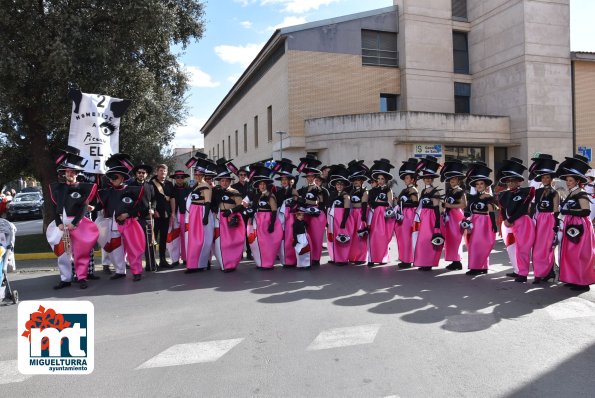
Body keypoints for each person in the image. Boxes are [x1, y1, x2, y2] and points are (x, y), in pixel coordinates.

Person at [46, 146, 99, 290]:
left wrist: (75, 223)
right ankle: (65, 279)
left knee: (80, 252)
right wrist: (59, 224)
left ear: (76, 173)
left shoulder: (83, 188)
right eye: (67, 171)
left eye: (72, 171)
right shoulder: (58, 188)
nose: (69, 174)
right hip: (62, 224)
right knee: (62, 253)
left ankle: (82, 277)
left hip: (78, 224)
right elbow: (54, 208)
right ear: (64, 173)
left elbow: (83, 207)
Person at [94, 153, 145, 282]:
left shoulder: (133, 190)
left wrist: (128, 214)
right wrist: (92, 208)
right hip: (113, 225)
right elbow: (99, 205)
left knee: (132, 248)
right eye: (110, 178)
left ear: (122, 178)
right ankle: (120, 271)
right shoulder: (107, 192)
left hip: (129, 224)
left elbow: (141, 208)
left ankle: (136, 271)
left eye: (115, 177)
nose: (112, 180)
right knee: (116, 250)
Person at [556, 154, 595, 292]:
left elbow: (585, 211)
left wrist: (568, 213)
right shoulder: (571, 193)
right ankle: (573, 279)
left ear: (577, 181)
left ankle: (583, 281)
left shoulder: (582, 193)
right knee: (570, 253)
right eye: (567, 180)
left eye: (570, 180)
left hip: (580, 226)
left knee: (580, 254)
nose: (568, 182)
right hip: (570, 225)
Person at [496, 157, 535, 282]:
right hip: (509, 224)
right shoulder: (503, 194)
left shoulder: (526, 192)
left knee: (523, 248)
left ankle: (523, 274)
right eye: (508, 181)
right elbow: (502, 209)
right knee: (512, 248)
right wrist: (505, 221)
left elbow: (523, 209)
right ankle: (517, 270)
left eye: (513, 181)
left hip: (522, 222)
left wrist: (510, 219)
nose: (510, 183)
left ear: (519, 181)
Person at [462, 162, 498, 275]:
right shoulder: (472, 197)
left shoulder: (489, 197)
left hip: (484, 222)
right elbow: (468, 210)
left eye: (481, 184)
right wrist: (465, 220)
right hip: (474, 222)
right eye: (477, 184)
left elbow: (491, 210)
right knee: (473, 244)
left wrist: (494, 224)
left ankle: (481, 267)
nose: (479, 186)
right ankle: (476, 266)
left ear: (486, 185)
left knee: (482, 244)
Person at [529, 154, 559, 284]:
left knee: (547, 247)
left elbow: (556, 209)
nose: (545, 179)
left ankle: (549, 272)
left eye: (547, 177)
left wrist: (556, 225)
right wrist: (531, 219)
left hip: (549, 220)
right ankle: (538, 273)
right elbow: (534, 206)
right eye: (543, 177)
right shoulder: (538, 191)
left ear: (551, 179)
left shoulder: (555, 192)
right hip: (538, 219)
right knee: (536, 248)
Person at [211, 158, 246, 272]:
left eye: (226, 181)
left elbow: (241, 206)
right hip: (220, 219)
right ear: (219, 181)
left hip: (232, 218)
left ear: (229, 181)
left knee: (232, 242)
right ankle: (224, 264)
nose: (224, 182)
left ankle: (231, 264)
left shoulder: (234, 192)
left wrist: (231, 212)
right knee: (221, 242)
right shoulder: (216, 191)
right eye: (222, 181)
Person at [247, 163, 282, 270]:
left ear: (266, 185)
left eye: (263, 184)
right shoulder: (257, 196)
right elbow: (253, 208)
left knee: (267, 243)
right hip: (258, 220)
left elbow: (274, 211)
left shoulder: (271, 195)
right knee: (259, 242)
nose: (262, 186)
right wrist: (250, 217)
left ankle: (267, 263)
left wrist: (271, 224)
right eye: (260, 184)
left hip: (267, 219)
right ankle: (260, 262)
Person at [184, 154, 216, 273]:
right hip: (194, 212)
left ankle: (201, 263)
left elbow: (207, 202)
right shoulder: (196, 185)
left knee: (202, 239)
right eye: (196, 174)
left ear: (203, 175)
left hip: (201, 211)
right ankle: (192, 264)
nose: (197, 176)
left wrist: (205, 216)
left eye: (199, 174)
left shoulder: (206, 186)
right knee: (193, 239)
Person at [412, 155, 444, 271]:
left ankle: (429, 263)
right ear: (423, 179)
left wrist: (436, 223)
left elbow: (436, 208)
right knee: (422, 240)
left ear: (433, 179)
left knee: (429, 240)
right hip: (424, 218)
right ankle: (423, 261)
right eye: (426, 178)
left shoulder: (435, 192)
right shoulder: (423, 191)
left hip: (431, 217)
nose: (428, 179)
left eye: (430, 178)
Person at [296, 154, 326, 266]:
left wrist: (305, 202)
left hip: (317, 215)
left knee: (317, 237)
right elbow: (295, 195)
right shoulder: (303, 189)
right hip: (306, 215)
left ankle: (316, 258)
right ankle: (309, 256)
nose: (309, 178)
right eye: (308, 177)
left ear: (315, 178)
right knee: (308, 236)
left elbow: (319, 201)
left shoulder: (318, 189)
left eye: (312, 177)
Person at [128, 162, 157, 271]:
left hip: (147, 217)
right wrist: (133, 215)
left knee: (150, 243)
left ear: (146, 174)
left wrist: (153, 209)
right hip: (135, 218)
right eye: (139, 172)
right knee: (136, 244)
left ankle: (151, 265)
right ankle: (137, 267)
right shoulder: (131, 186)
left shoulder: (149, 185)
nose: (141, 174)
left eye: (143, 173)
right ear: (136, 174)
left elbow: (154, 199)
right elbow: (128, 203)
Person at [367, 158, 395, 266]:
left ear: (386, 179)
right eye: (378, 179)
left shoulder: (388, 190)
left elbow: (389, 204)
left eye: (382, 178)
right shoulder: (373, 190)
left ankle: (382, 258)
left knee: (383, 237)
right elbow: (371, 203)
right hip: (374, 215)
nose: (380, 181)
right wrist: (379, 203)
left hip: (384, 216)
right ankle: (372, 259)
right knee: (373, 236)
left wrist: (379, 202)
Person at [441, 159, 467, 271]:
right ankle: (453, 261)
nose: (452, 180)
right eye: (451, 178)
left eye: (454, 178)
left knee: (456, 238)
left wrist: (449, 206)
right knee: (450, 239)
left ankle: (458, 261)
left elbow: (464, 204)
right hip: (449, 216)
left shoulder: (460, 191)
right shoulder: (450, 191)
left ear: (459, 181)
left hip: (456, 216)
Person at [394, 158, 419, 269]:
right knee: (402, 237)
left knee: (407, 237)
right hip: (404, 214)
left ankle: (408, 260)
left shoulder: (413, 189)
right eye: (405, 177)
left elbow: (415, 203)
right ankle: (405, 258)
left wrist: (405, 202)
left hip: (409, 215)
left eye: (407, 177)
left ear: (412, 179)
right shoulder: (406, 189)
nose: (405, 179)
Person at [274, 158, 299, 267]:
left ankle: (290, 260)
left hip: (290, 217)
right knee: (281, 237)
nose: (283, 181)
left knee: (289, 237)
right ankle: (284, 259)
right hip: (280, 216)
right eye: (282, 179)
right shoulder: (278, 190)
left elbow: (296, 201)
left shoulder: (293, 190)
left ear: (289, 180)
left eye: (286, 179)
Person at [326, 164, 352, 266]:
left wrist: (343, 222)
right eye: (337, 184)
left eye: (341, 184)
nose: (339, 186)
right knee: (331, 238)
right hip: (332, 219)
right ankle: (334, 257)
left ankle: (342, 259)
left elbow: (346, 209)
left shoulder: (346, 195)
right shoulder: (332, 194)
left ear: (344, 185)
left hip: (341, 218)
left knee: (341, 238)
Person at [150, 164, 176, 269]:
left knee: (163, 238)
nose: (163, 173)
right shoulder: (151, 183)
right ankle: (152, 261)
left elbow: (172, 198)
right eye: (161, 171)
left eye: (165, 171)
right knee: (153, 238)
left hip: (166, 215)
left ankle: (162, 260)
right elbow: (149, 198)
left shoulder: (169, 184)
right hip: (156, 215)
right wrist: (154, 210)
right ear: (157, 172)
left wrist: (173, 212)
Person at [346, 160, 369, 265]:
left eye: (358, 180)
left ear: (362, 181)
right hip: (352, 214)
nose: (355, 182)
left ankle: (361, 257)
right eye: (354, 180)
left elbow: (364, 204)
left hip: (360, 214)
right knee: (353, 236)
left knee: (361, 236)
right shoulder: (351, 191)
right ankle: (353, 256)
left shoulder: (365, 191)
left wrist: (363, 216)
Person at [168, 170, 191, 268]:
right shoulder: (171, 189)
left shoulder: (189, 189)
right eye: (177, 177)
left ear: (184, 178)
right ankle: (175, 259)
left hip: (186, 215)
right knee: (174, 239)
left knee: (186, 237)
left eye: (182, 177)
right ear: (175, 179)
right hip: (175, 215)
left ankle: (186, 258)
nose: (180, 179)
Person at [232, 165, 254, 260]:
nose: (243, 176)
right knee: (239, 234)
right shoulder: (233, 187)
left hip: (249, 213)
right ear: (238, 176)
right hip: (239, 212)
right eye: (241, 175)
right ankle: (239, 253)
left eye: (245, 174)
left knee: (248, 233)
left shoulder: (251, 186)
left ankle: (249, 252)